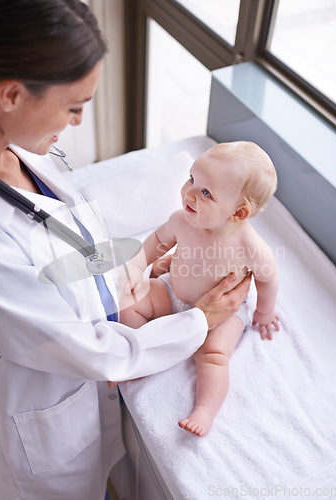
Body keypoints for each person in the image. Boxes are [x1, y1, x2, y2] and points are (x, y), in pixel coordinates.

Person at [0, 1, 250, 499]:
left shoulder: (8, 144)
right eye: (74, 107)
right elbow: (85, 348)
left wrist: (133, 266)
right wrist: (199, 319)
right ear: (10, 94)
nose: (76, 123)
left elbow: (62, 244)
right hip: (40, 424)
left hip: (82, 371)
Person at [117, 141, 280, 437]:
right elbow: (157, 242)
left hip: (224, 314)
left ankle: (204, 410)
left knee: (214, 356)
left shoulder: (251, 247)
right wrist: (137, 267)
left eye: (206, 193)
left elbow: (268, 279)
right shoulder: (183, 221)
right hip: (173, 292)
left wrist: (264, 311)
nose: (189, 192)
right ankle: (138, 355)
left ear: (238, 214)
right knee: (129, 301)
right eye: (192, 179)